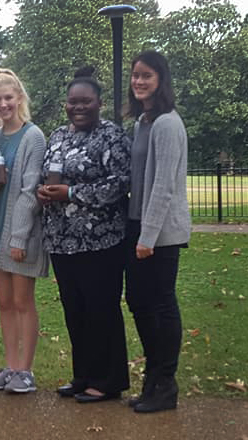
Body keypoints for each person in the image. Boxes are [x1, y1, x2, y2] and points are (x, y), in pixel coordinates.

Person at [37, 66, 131, 403]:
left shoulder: (112, 136)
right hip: (62, 241)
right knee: (74, 308)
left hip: (100, 241)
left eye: (86, 101)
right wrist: (43, 192)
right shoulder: (59, 136)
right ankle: (84, 374)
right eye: (73, 102)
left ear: (99, 103)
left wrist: (72, 193)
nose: (78, 107)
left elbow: (119, 183)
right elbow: (47, 174)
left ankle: (108, 380)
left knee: (100, 308)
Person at [124, 51, 190, 413]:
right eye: (135, 75)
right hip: (138, 225)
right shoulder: (144, 122)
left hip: (161, 233)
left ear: (161, 80)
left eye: (146, 76)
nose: (139, 82)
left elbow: (164, 184)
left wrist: (147, 237)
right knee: (138, 301)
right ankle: (153, 377)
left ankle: (165, 383)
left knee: (161, 304)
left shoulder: (167, 123)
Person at [0, 69, 49, 394]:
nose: (3, 104)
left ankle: (26, 370)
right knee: (4, 302)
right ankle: (10, 367)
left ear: (19, 98)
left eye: (8, 98)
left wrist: (18, 237)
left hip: (21, 231)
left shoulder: (33, 136)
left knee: (23, 301)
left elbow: (31, 190)